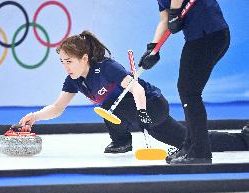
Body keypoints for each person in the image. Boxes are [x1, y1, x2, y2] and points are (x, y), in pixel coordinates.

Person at [19, 31, 249, 162]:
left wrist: (142, 114)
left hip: (152, 106)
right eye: (62, 62)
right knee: (188, 140)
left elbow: (137, 90)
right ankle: (243, 140)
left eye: (69, 61)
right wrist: (35, 116)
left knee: (109, 105)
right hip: (136, 114)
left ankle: (122, 141)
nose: (65, 66)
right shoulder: (74, 80)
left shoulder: (107, 68)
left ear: (85, 58)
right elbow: (59, 107)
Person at [139, 0, 231, 164]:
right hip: (199, 37)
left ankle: (200, 152)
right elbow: (165, 19)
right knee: (187, 90)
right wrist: (153, 48)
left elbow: (173, 12)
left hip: (209, 34)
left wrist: (175, 11)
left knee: (189, 92)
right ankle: (191, 145)